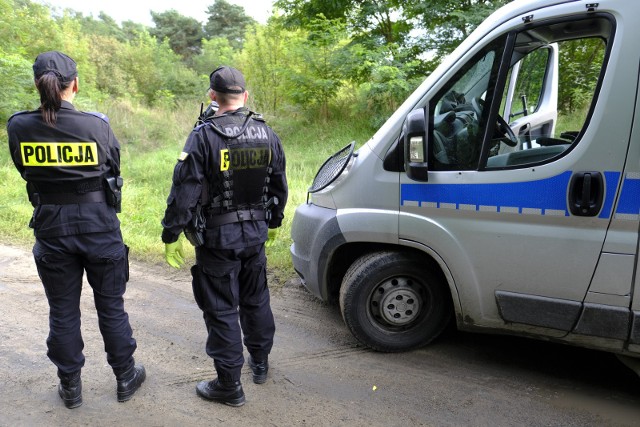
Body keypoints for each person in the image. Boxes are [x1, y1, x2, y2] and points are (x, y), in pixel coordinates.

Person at [6, 51, 145, 409]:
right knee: (111, 307)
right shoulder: (97, 125)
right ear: (75, 84)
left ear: (38, 85)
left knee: (62, 310)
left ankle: (71, 387)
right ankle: (125, 376)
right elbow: (113, 169)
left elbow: (25, 172)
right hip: (99, 227)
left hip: (52, 228)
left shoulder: (19, 126)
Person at [161, 66, 288, 407]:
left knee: (220, 309)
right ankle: (259, 363)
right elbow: (279, 184)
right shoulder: (267, 133)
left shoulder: (202, 136)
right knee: (256, 298)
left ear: (212, 96)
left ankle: (229, 385)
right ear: (245, 96)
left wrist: (171, 232)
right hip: (255, 236)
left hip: (218, 241)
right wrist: (273, 221)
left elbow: (184, 191)